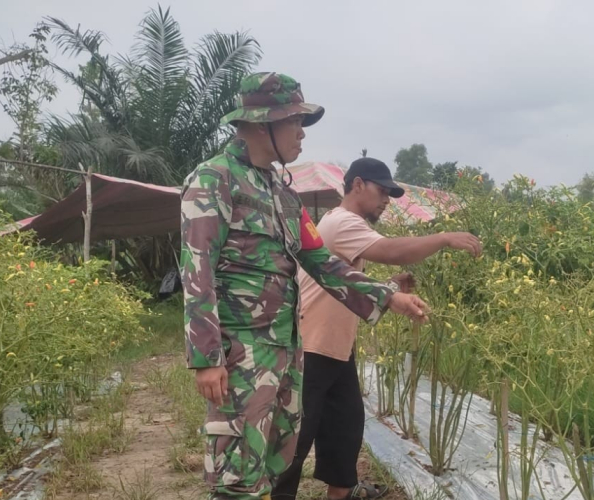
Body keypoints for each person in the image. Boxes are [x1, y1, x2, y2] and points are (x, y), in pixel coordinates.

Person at [180, 73, 430, 500]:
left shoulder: (282, 193)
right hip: (241, 355)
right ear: (263, 124)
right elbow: (196, 270)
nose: (302, 133)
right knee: (238, 476)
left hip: (286, 352)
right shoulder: (214, 179)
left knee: (274, 465)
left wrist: (388, 296)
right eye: (294, 122)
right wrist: (207, 357)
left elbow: (321, 261)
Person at [273, 157, 482, 500]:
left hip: (335, 347)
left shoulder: (345, 223)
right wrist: (444, 237)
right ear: (357, 184)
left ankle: (342, 492)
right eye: (382, 191)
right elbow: (390, 249)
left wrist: (390, 286)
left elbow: (347, 284)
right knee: (297, 437)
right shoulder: (342, 221)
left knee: (345, 426)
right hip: (311, 347)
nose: (386, 200)